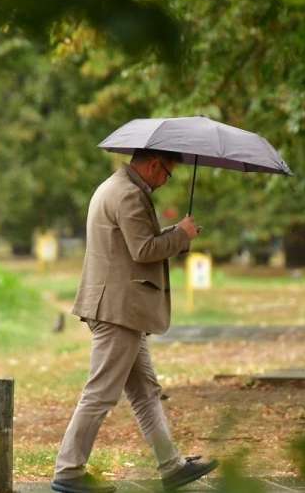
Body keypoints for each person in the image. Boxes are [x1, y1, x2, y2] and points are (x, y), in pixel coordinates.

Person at [51, 149, 219, 493]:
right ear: (154, 164)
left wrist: (176, 233)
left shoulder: (115, 186)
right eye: (167, 174)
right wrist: (182, 234)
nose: (164, 181)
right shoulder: (128, 194)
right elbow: (142, 250)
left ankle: (171, 466)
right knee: (100, 393)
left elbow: (134, 243)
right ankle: (68, 471)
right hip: (118, 310)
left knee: (145, 392)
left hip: (119, 307)